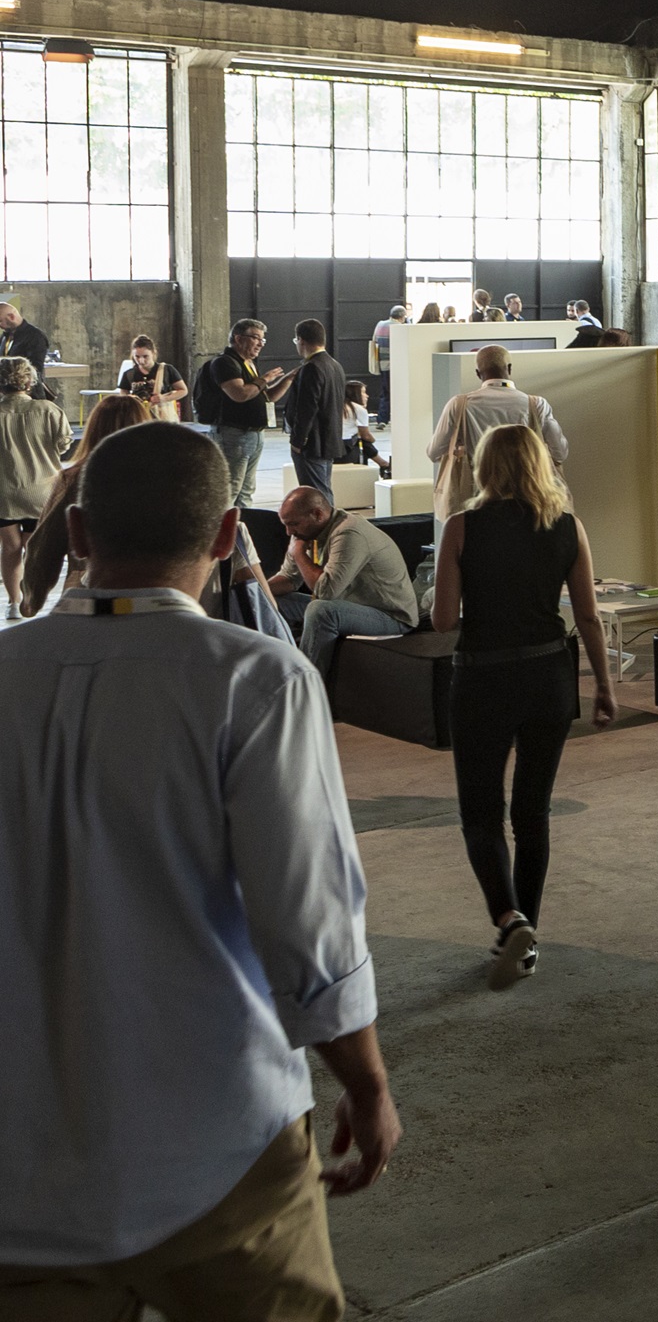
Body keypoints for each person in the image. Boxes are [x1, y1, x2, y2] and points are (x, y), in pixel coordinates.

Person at [0, 422, 397, 1317]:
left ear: (80, 534)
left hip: (18, 1181)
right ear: (226, 537)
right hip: (219, 1157)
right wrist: (366, 1085)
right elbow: (309, 922)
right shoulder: (255, 680)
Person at [435, 422, 615, 990]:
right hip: (548, 676)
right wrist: (604, 686)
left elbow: (443, 622)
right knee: (532, 812)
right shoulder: (568, 527)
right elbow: (587, 616)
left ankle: (508, 918)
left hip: (483, 679)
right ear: (541, 464)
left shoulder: (460, 528)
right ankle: (528, 933)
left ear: (485, 468)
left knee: (481, 813)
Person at [16, 390, 150, 616]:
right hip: (150, 594)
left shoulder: (75, 479)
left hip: (89, 593)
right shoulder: (164, 477)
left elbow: (45, 544)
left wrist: (32, 597)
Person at [268, 485, 422, 681]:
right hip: (349, 606)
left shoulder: (348, 533)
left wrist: (298, 554)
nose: (289, 532)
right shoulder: (306, 533)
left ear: (317, 514)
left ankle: (306, 686)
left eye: (294, 524)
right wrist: (254, 590)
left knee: (321, 611)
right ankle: (274, 672)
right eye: (285, 524)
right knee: (273, 601)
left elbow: (326, 592)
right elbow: (289, 579)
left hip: (391, 616)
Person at [426, 346, 569, 523]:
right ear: (509, 368)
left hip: (475, 499)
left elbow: (433, 452)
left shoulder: (459, 405)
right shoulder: (536, 405)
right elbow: (560, 453)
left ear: (478, 373)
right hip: (528, 500)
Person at [197, 318, 291, 508]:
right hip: (233, 434)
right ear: (238, 339)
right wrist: (265, 378)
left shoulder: (249, 363)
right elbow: (239, 394)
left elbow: (266, 397)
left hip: (253, 434)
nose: (260, 344)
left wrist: (288, 380)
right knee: (231, 488)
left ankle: (240, 530)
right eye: (255, 338)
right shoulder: (225, 363)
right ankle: (221, 532)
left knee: (246, 490)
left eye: (262, 340)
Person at [0, 357, 67, 611]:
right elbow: (62, 445)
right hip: (41, 490)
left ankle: (13, 603)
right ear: (29, 381)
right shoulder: (48, 410)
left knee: (10, 547)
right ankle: (32, 600)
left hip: (4, 490)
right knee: (33, 548)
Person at [282, 319, 348, 496]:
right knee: (323, 489)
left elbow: (306, 408)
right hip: (329, 440)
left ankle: (328, 524)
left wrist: (298, 440)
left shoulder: (311, 367)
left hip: (312, 443)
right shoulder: (335, 365)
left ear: (301, 340)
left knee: (316, 494)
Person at [116, 332, 190, 415]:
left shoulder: (167, 370)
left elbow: (183, 390)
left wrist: (164, 398)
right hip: (138, 415)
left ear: (153, 353)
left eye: (145, 356)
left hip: (162, 415)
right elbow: (123, 393)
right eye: (137, 356)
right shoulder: (129, 374)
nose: (141, 360)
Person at [370, 304, 402, 419]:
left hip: (382, 364)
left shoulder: (380, 324)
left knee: (385, 392)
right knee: (396, 393)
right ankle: (393, 418)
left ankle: (382, 418)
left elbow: (374, 341)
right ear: (402, 317)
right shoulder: (399, 327)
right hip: (395, 366)